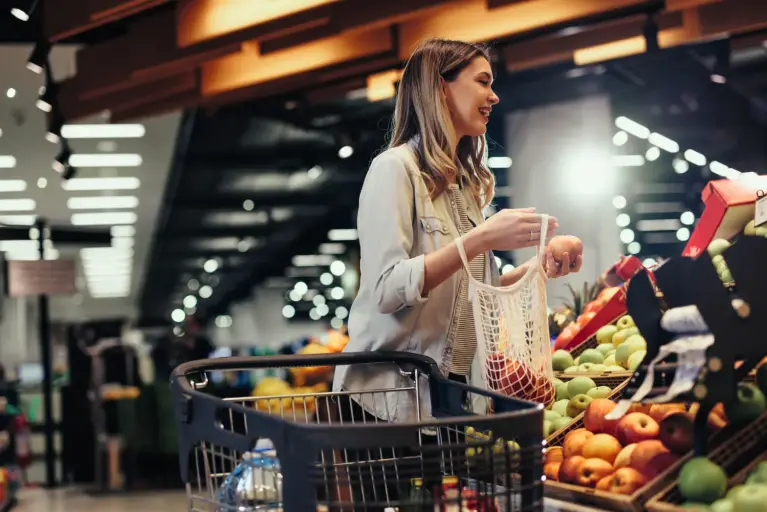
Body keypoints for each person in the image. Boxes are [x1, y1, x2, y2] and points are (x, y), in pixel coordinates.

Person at [328, 38, 583, 507]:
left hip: (443, 399)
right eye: (482, 81)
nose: (494, 96)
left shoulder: (462, 186)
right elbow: (386, 289)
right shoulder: (393, 170)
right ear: (440, 88)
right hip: (383, 404)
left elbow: (471, 291)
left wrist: (538, 265)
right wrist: (482, 237)